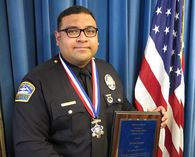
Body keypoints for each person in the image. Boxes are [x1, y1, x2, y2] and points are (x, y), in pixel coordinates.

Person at [13, 5, 168, 157]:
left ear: (97, 38)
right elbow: (29, 145)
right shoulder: (37, 82)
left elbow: (124, 112)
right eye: (72, 31)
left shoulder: (108, 71)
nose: (83, 38)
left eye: (90, 31)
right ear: (58, 38)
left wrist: (149, 119)